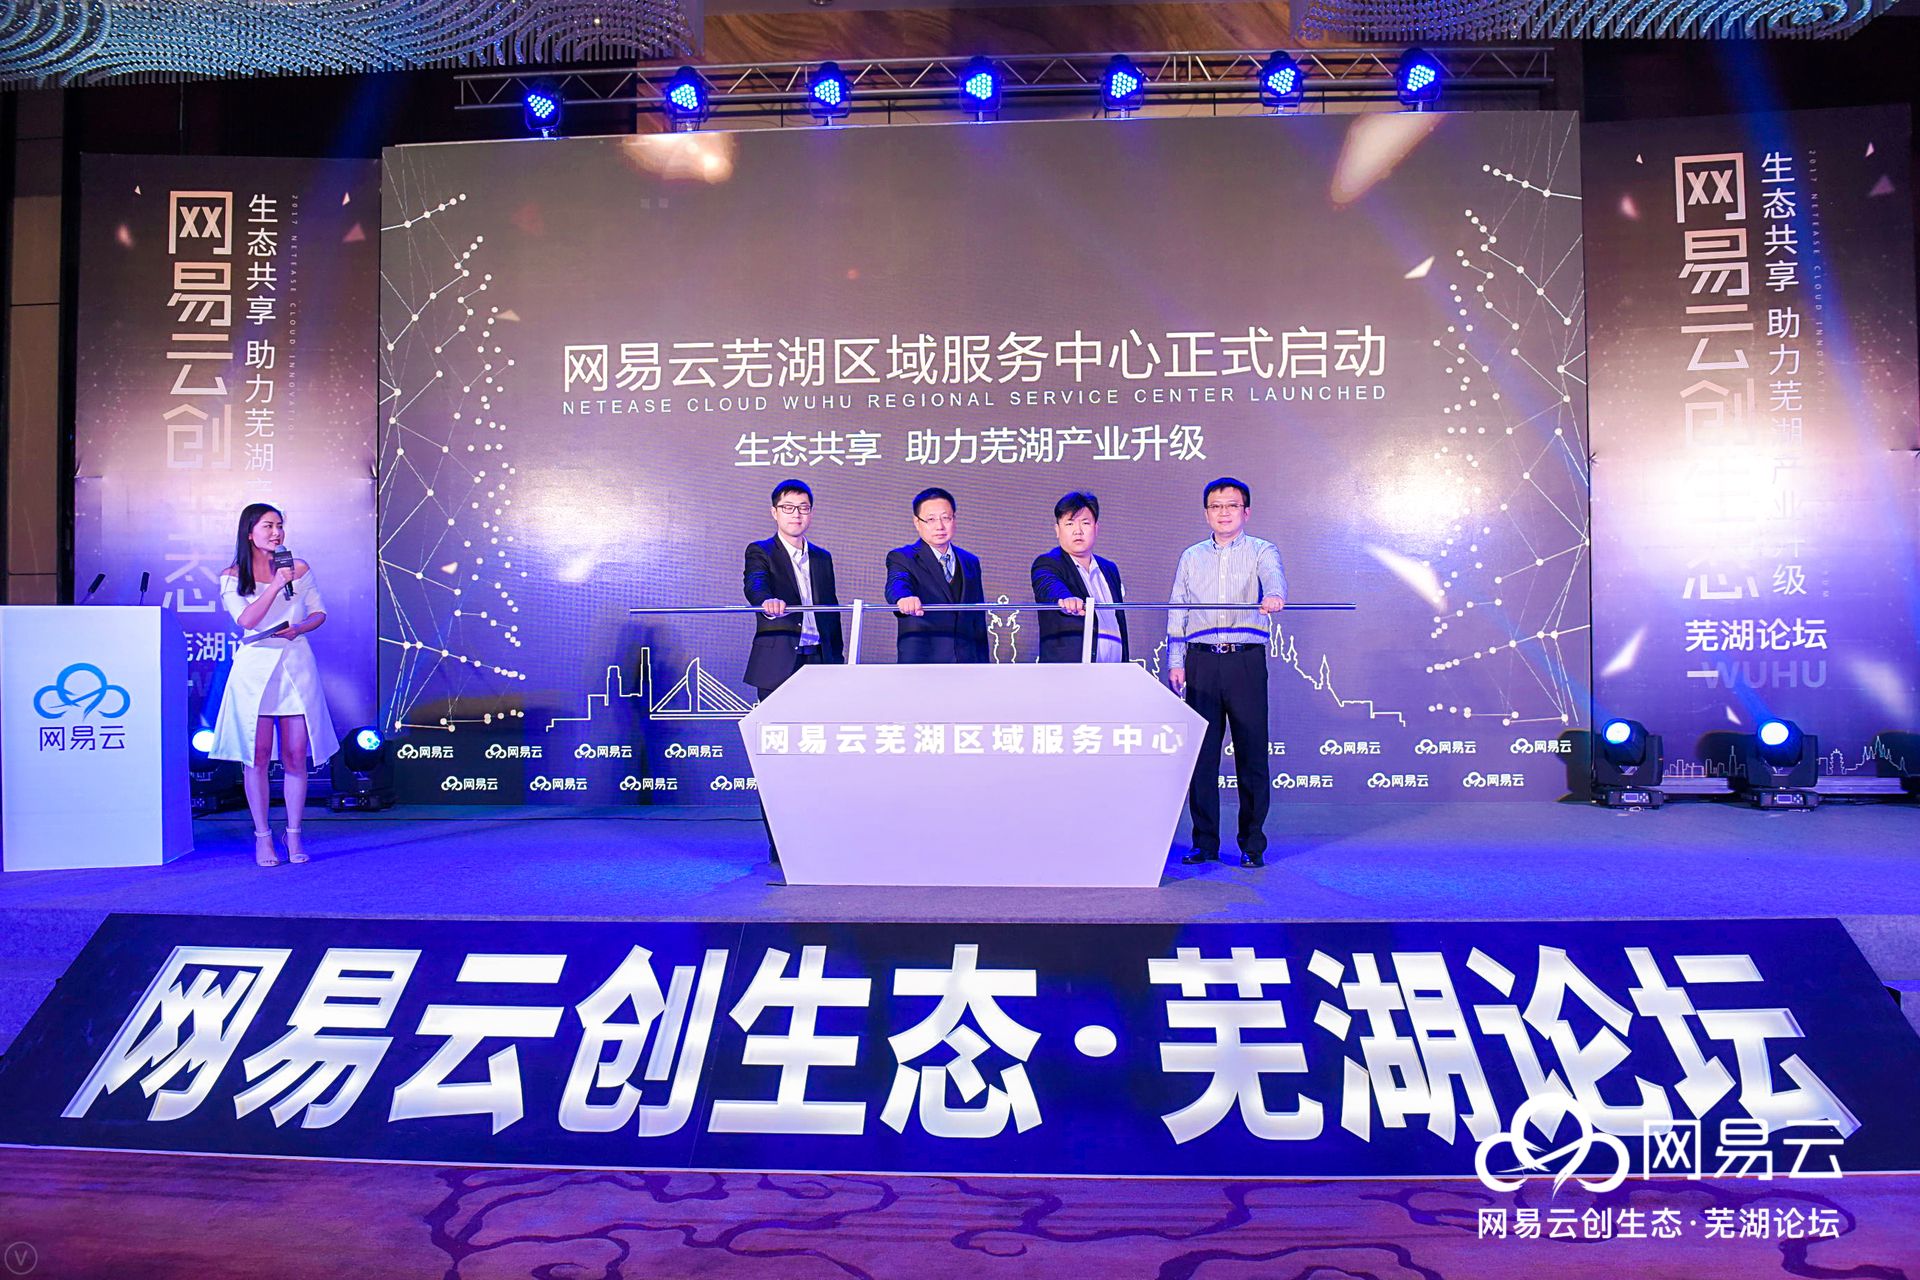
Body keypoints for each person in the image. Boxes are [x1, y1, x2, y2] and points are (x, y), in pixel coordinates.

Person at [1166, 477, 1288, 869]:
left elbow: (1274, 579)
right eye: (1216, 506)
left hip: (1244, 661)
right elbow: (1178, 609)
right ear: (1207, 513)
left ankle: (1253, 844)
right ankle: (1204, 842)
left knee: (1252, 755)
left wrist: (1275, 596)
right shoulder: (1191, 556)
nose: (1223, 512)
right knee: (1202, 757)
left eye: (1231, 506)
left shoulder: (1261, 550)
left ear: (1245, 512)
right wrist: (1176, 661)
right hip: (1201, 661)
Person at [212, 503, 340, 868]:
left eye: (279, 525)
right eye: (268, 526)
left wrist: (299, 628)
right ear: (249, 532)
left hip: (294, 663)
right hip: (255, 669)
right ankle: (263, 836)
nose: (276, 532)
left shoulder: (299, 567)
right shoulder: (232, 576)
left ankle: (294, 832)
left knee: (296, 754)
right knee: (256, 756)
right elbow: (247, 620)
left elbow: (318, 612)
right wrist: (276, 585)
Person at [742, 478, 844, 862]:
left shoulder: (822, 558)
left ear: (811, 513)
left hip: (819, 663)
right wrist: (766, 600)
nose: (796, 514)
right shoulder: (761, 551)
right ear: (775, 512)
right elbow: (755, 585)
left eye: (803, 508)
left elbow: (831, 611)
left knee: (820, 756)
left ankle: (817, 835)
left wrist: (838, 662)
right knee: (777, 757)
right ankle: (781, 844)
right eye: (788, 508)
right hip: (780, 665)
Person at [885, 486, 989, 664]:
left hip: (967, 661)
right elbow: (897, 582)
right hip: (923, 661)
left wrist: (984, 664)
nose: (939, 526)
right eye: (931, 519)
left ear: (954, 519)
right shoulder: (902, 557)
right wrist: (903, 598)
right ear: (917, 523)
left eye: (945, 518)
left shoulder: (970, 561)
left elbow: (978, 618)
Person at [1031, 491, 1129, 663]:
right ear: (1057, 530)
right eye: (1069, 524)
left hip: (1115, 671)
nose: (1078, 531)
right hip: (1070, 673)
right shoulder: (1047, 563)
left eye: (1085, 523)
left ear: (1096, 528)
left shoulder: (1109, 569)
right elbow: (1048, 585)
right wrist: (1065, 599)